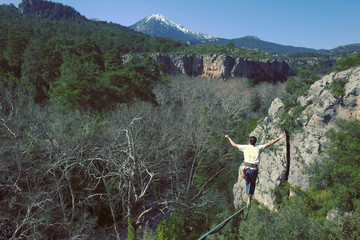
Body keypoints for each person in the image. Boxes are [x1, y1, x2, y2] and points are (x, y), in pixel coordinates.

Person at [225, 132, 286, 206]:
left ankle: (248, 199)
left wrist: (228, 137)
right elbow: (270, 143)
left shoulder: (245, 147)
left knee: (248, 183)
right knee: (253, 183)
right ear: (255, 142)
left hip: (246, 168)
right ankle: (250, 197)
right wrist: (279, 138)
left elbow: (234, 144)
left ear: (249, 141)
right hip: (254, 169)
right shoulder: (258, 148)